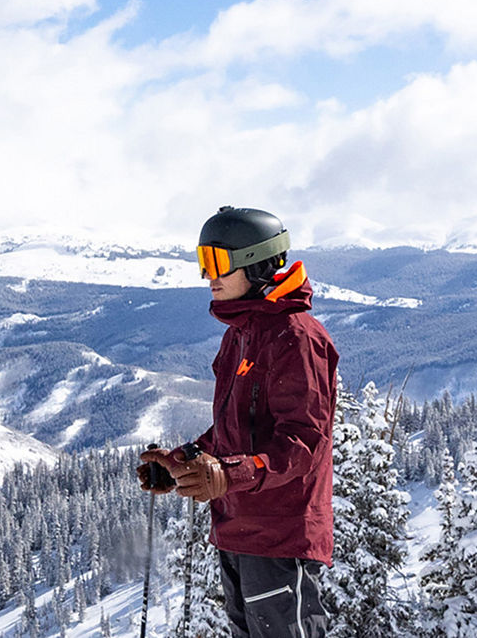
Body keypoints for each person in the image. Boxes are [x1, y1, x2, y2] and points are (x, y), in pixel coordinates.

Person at [141, 205, 339, 638]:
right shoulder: (242, 333)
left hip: (280, 537)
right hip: (237, 528)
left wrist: (230, 475)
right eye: (203, 262)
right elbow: (233, 428)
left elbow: (305, 444)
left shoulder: (297, 337)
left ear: (254, 263)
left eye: (217, 263)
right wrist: (182, 464)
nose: (208, 276)